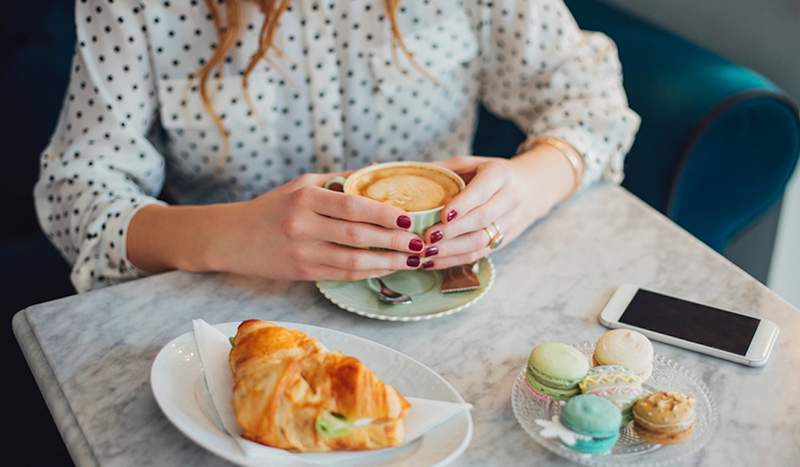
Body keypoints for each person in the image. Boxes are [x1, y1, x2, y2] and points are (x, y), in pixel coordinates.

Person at [35, 0, 639, 292]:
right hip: (229, 313)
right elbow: (78, 189)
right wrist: (231, 234)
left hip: (440, 299)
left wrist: (527, 188)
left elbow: (590, 101)